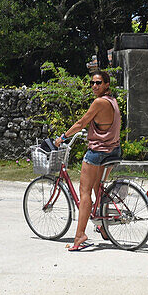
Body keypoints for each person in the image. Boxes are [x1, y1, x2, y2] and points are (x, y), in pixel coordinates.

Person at [54, 71, 122, 251]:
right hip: (112, 150)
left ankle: (79, 236)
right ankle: (102, 226)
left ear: (107, 84)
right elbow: (103, 125)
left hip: (98, 152)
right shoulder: (113, 101)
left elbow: (81, 123)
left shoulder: (99, 102)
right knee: (96, 188)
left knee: (84, 193)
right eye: (92, 83)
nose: (94, 86)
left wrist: (63, 137)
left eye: (98, 83)